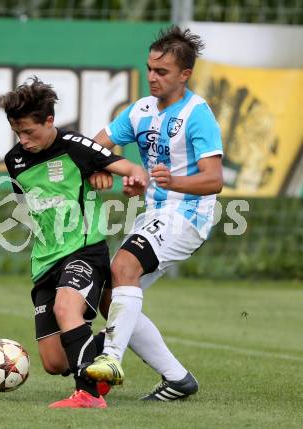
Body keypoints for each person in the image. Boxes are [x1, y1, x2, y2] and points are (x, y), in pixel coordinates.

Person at [84, 25, 224, 401]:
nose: (152, 77)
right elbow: (98, 145)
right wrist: (104, 168)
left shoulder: (197, 115)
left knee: (123, 267)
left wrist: (171, 181)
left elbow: (214, 180)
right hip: (156, 215)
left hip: (189, 215)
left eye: (162, 72)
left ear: (184, 74)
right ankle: (178, 379)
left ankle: (109, 357)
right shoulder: (141, 110)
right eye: (149, 68)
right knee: (109, 296)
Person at [1, 77, 148, 409]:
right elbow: (33, 207)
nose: (23, 140)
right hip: (44, 262)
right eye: (17, 133)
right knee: (54, 362)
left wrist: (133, 178)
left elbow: (128, 166)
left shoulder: (75, 146)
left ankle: (89, 394)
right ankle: (109, 344)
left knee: (66, 307)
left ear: (49, 121)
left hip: (84, 251)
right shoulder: (15, 161)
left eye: (29, 132)